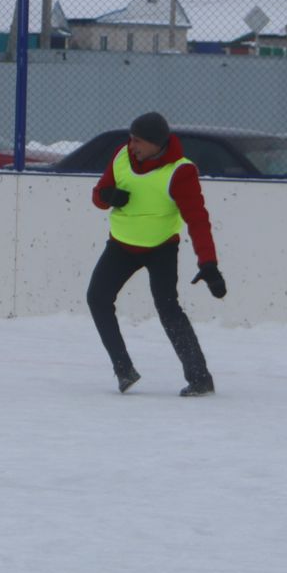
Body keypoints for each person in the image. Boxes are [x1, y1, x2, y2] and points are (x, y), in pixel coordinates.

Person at [86, 111, 224, 396]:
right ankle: (123, 369)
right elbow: (98, 195)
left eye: (137, 141)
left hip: (161, 248)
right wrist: (108, 196)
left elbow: (197, 219)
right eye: (130, 138)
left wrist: (208, 264)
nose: (131, 145)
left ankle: (200, 378)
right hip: (121, 245)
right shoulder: (122, 157)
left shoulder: (181, 171)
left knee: (168, 307)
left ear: (156, 143)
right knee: (97, 297)